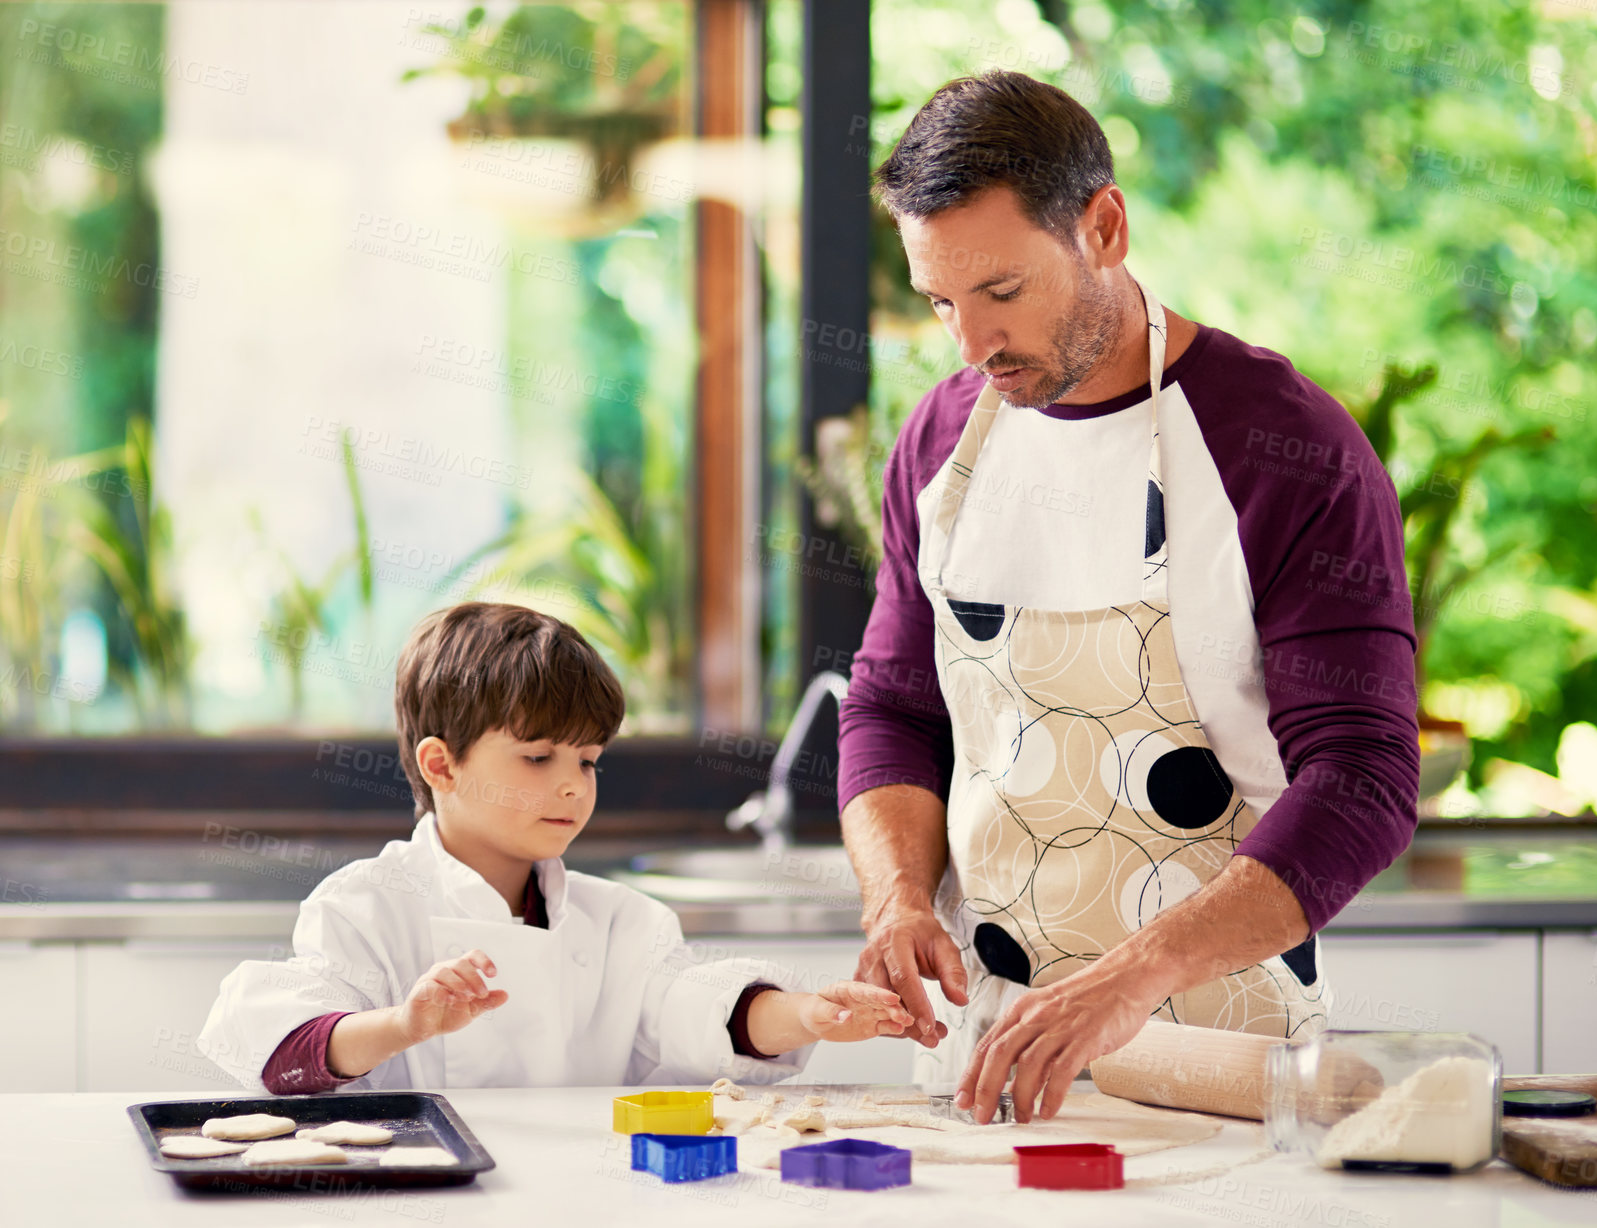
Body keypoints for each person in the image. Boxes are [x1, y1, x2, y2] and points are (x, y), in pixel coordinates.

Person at [837, 71, 1420, 1125]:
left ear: (1102, 227)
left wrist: (1131, 976)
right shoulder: (938, 442)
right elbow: (892, 709)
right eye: (939, 302)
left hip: (1224, 1063)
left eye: (1000, 293)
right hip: (990, 1063)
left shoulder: (1286, 448)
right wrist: (895, 898)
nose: (968, 346)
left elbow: (1362, 777)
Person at [200, 602, 911, 1092]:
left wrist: (809, 1014)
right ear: (441, 765)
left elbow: (690, 1008)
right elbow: (285, 1048)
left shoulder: (622, 922)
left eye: (588, 761)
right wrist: (404, 1024)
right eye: (539, 760)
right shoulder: (364, 907)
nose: (573, 787)